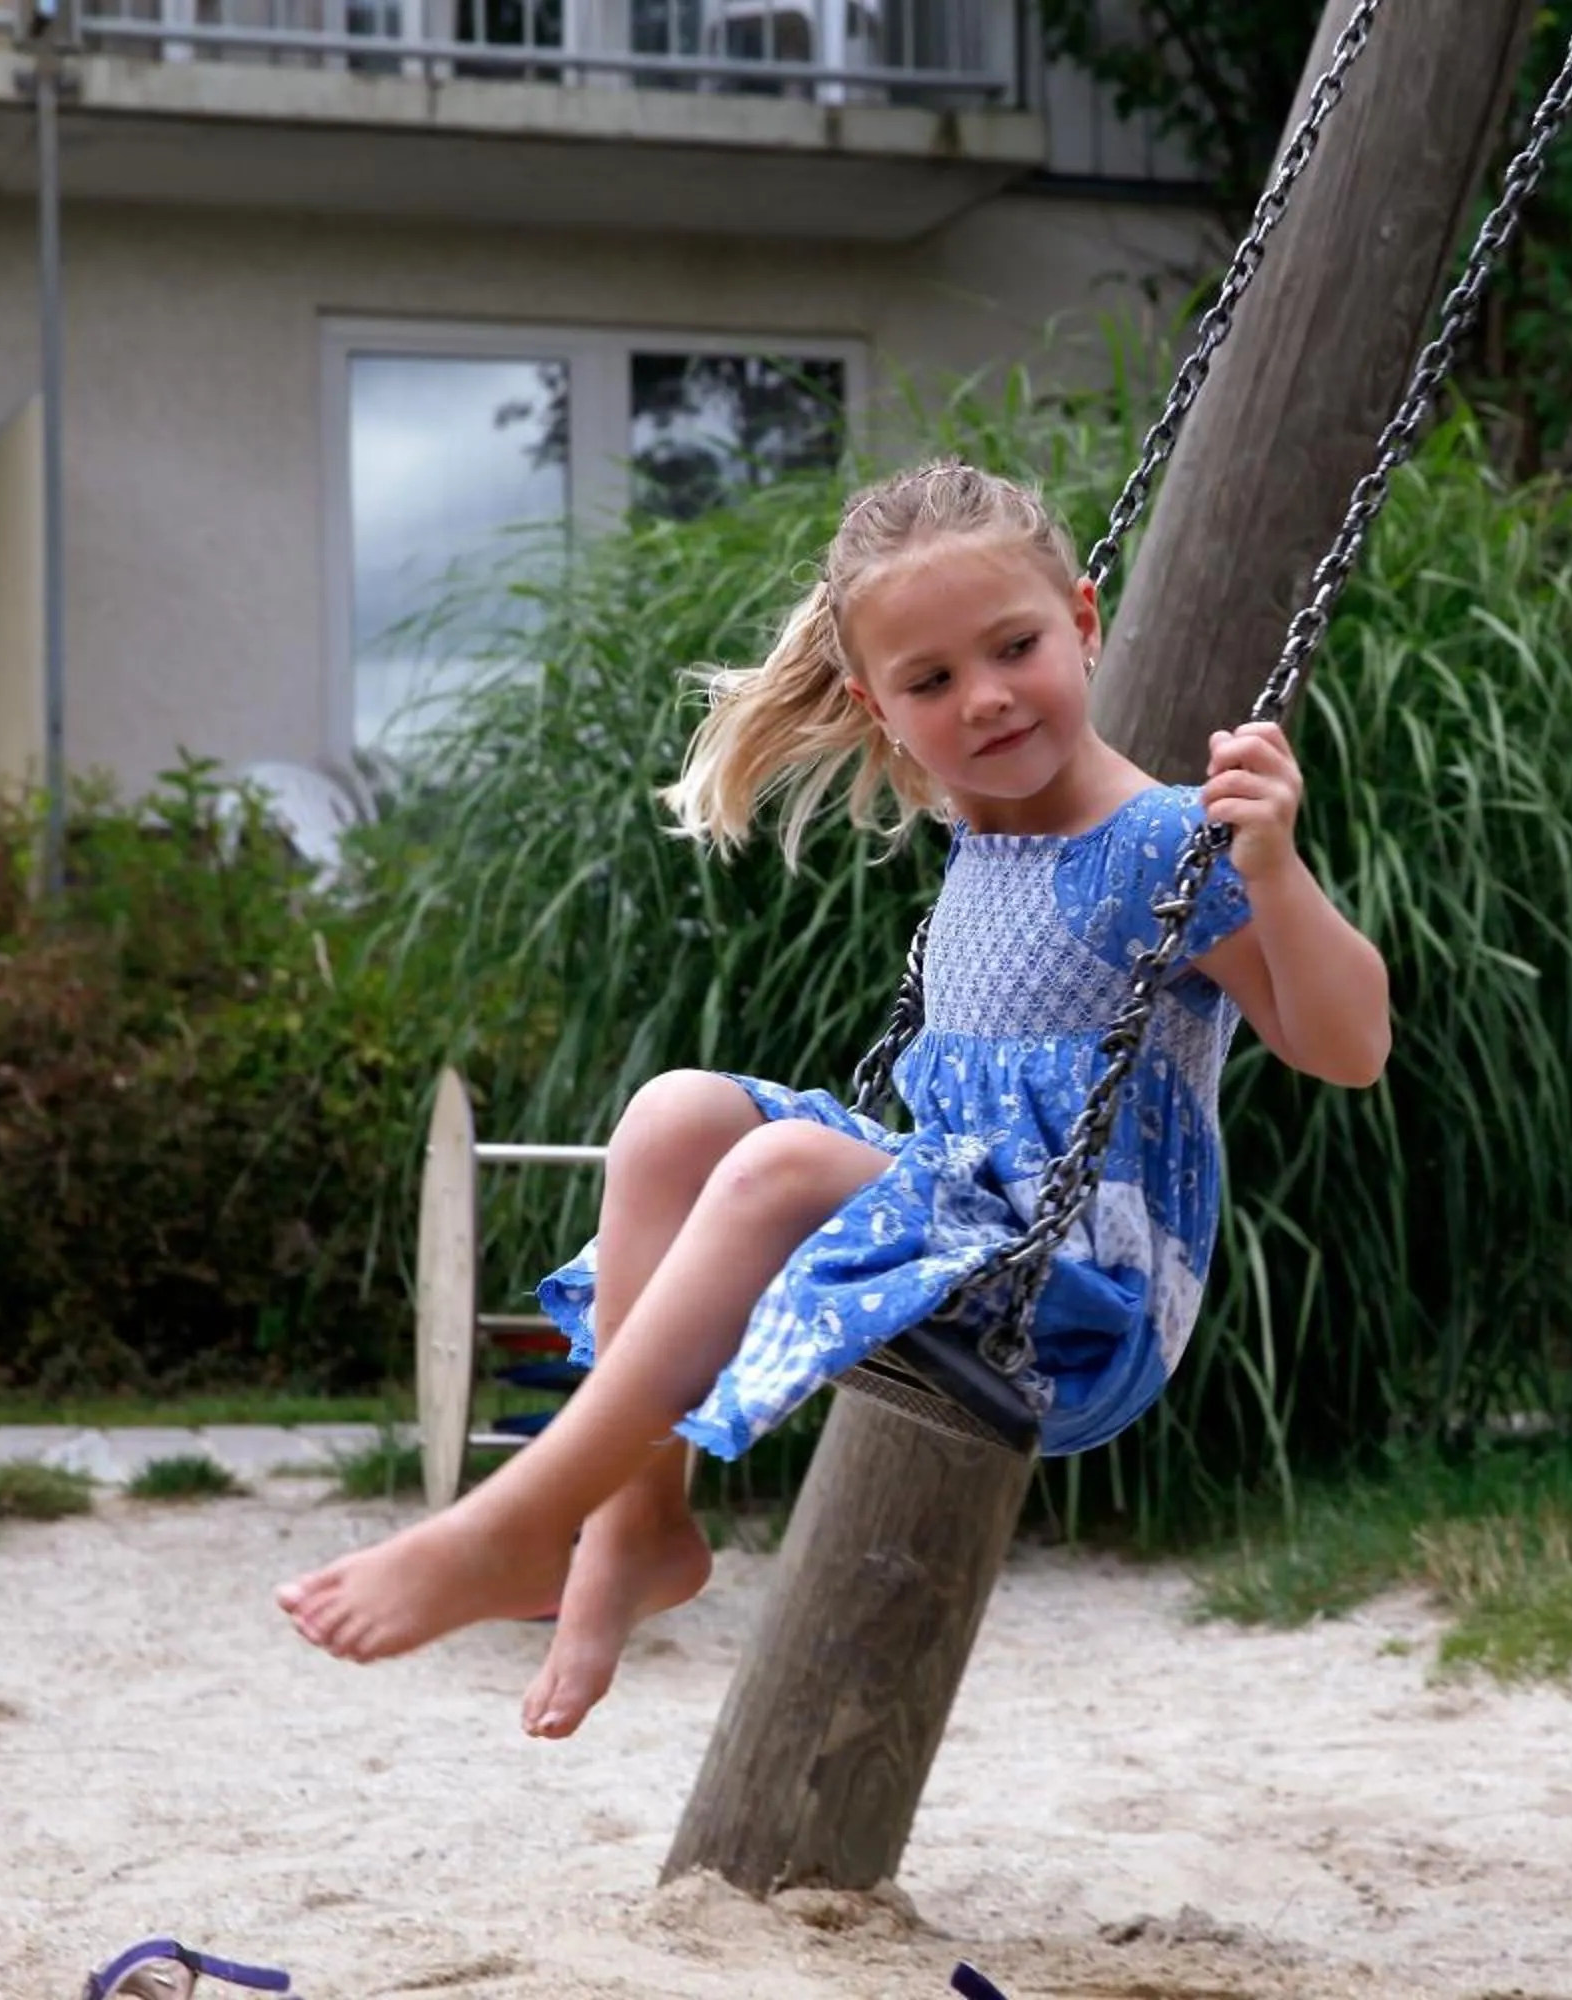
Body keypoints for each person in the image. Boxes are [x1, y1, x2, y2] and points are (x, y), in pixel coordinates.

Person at [275, 459, 1393, 1737]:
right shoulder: (987, 832)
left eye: (1016, 646)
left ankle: (514, 1518)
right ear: (878, 706)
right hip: (968, 1229)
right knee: (674, 1115)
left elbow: (1344, 1046)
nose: (984, 697)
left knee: (779, 1166)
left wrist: (1280, 870)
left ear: (1085, 623)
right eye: (930, 680)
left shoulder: (1155, 844)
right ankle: (639, 1520)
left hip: (1075, 1297)